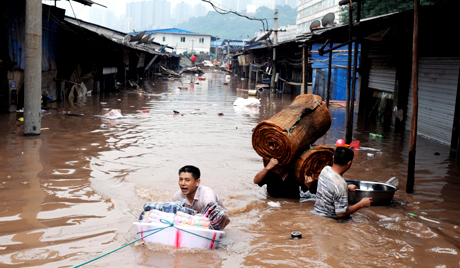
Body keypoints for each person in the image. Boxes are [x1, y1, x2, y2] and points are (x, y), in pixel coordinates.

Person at [313, 147, 372, 219]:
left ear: (333, 158)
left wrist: (347, 187)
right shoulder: (341, 184)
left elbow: (331, 189)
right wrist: (361, 204)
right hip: (329, 220)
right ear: (349, 163)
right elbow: (341, 214)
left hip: (316, 213)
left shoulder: (325, 170)